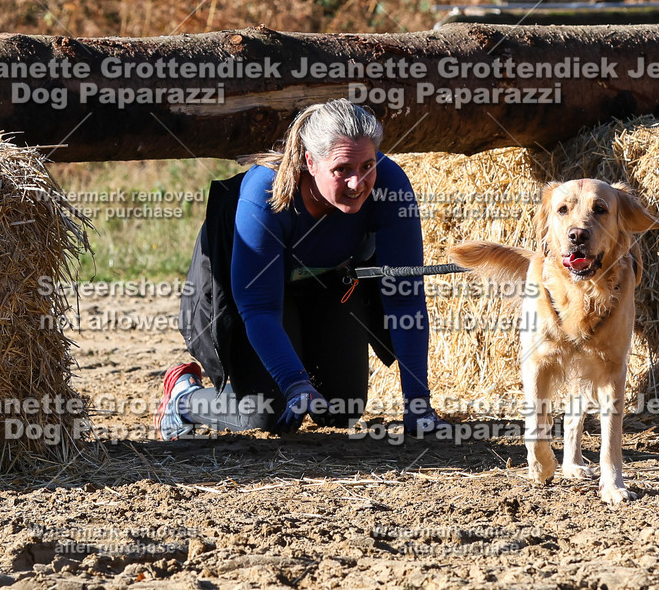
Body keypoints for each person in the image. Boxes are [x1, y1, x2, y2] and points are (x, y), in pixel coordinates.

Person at [155, 99, 449, 440]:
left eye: (367, 165)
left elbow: (405, 299)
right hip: (252, 295)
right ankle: (184, 398)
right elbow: (259, 307)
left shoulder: (390, 185)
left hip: (326, 285)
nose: (358, 182)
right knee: (269, 413)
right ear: (310, 161)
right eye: (342, 170)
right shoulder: (264, 192)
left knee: (341, 410)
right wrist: (294, 382)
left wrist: (419, 406)